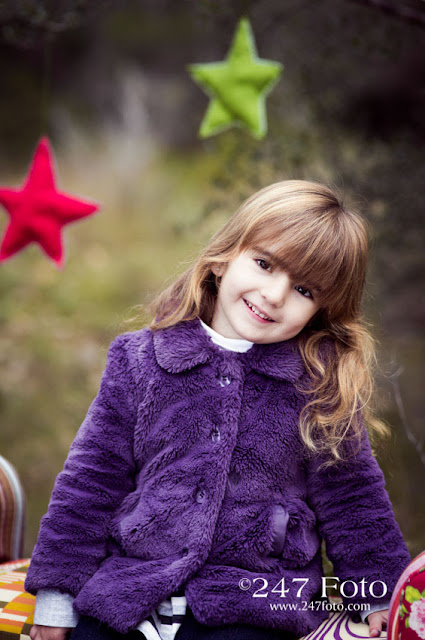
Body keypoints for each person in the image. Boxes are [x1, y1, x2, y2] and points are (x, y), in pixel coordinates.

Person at [25, 180, 411, 640]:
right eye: (264, 264)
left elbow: (353, 499)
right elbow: (92, 479)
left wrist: (380, 598)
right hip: (131, 585)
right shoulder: (140, 360)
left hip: (258, 599)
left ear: (323, 310)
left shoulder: (320, 385)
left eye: (304, 289)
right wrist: (55, 596)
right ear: (226, 256)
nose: (273, 294)